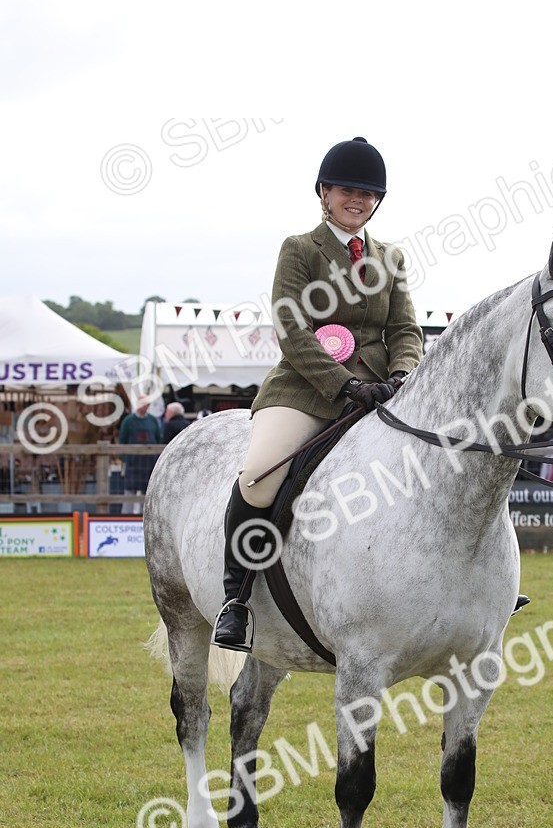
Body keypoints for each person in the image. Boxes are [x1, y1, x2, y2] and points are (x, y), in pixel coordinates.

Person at [212, 136, 424, 650]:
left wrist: (402, 376)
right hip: (307, 389)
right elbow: (292, 328)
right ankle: (235, 600)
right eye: (348, 189)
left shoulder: (390, 258)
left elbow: (406, 330)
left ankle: (469, 587)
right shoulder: (300, 250)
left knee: (443, 459)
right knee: (260, 476)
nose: (359, 200)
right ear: (325, 192)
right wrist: (342, 384)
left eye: (369, 193)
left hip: (380, 392)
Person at [118, 396, 162, 502]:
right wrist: (125, 458)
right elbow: (122, 440)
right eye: (143, 404)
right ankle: (126, 517)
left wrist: (156, 458)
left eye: (147, 404)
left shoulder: (152, 420)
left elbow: (158, 438)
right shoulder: (128, 421)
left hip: (149, 462)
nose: (145, 407)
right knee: (129, 491)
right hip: (133, 462)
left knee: (148, 492)